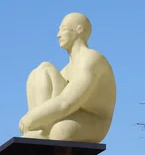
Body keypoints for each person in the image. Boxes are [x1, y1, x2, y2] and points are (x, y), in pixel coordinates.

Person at [19, 13, 116, 143]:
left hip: (94, 120)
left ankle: (41, 126)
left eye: (63, 29)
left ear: (79, 30)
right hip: (73, 114)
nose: (58, 34)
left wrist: (31, 118)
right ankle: (40, 129)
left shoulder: (92, 59)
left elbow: (67, 102)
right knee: (42, 70)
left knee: (60, 131)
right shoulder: (66, 70)